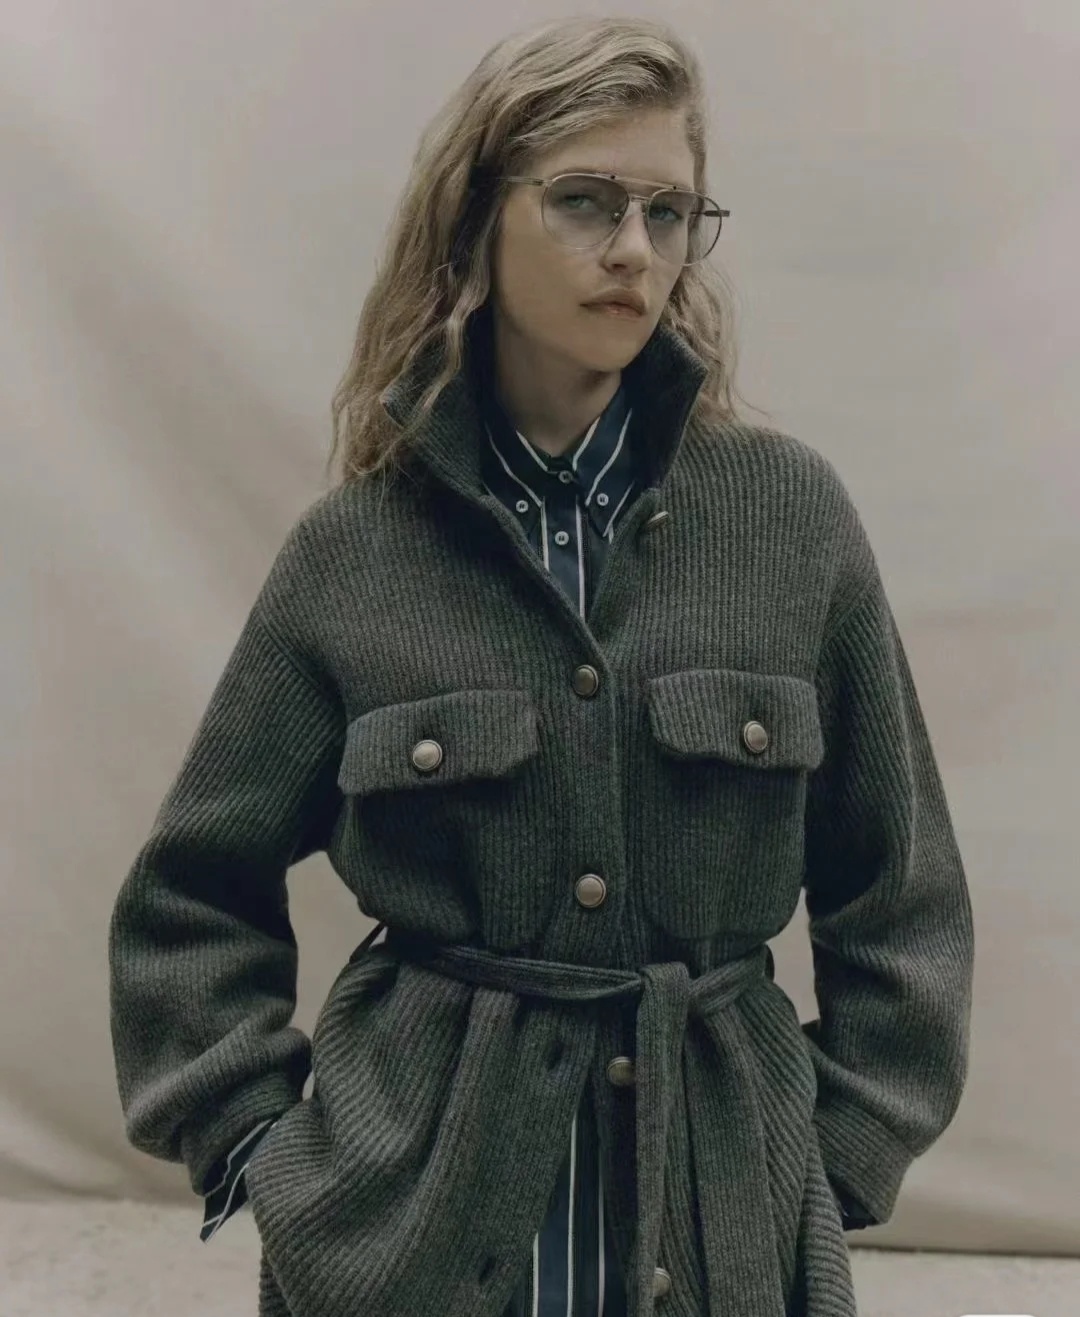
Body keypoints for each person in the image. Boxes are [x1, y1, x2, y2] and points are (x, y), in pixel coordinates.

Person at [108, 14, 975, 1317]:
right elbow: (190, 899)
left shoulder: (791, 521)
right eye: (584, 201)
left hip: (722, 1238)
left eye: (668, 212)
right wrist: (264, 1156)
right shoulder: (355, 553)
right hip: (402, 1246)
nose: (634, 249)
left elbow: (901, 894)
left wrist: (829, 1157)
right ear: (476, 219)